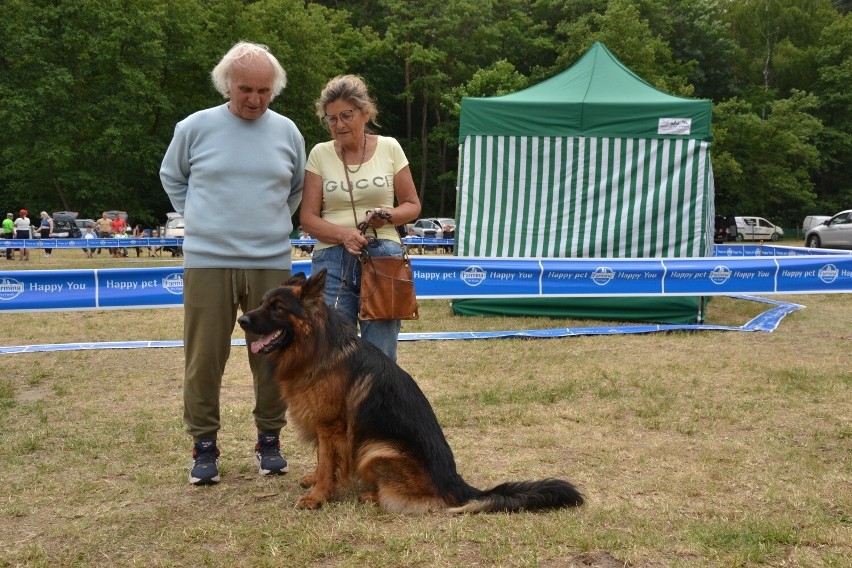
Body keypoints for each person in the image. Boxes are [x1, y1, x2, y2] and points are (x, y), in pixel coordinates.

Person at [160, 41, 305, 486]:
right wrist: (203, 221)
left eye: (264, 90)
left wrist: (267, 226)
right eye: (246, 88)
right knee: (205, 357)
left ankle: (270, 441)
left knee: (274, 357)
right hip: (208, 261)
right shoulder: (194, 127)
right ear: (226, 83)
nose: (255, 99)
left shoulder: (288, 132)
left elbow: (295, 188)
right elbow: (172, 176)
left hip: (269, 261)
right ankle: (203, 445)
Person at [300, 74, 421, 362]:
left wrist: (386, 215)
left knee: (381, 354)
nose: (339, 124)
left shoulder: (390, 147)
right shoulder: (319, 153)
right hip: (331, 257)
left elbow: (413, 205)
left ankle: (379, 407)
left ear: (365, 113)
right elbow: (307, 218)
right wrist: (343, 234)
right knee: (330, 353)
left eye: (346, 115)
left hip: (384, 257)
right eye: (331, 119)